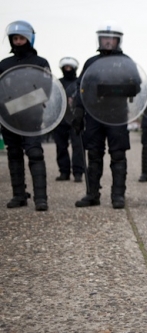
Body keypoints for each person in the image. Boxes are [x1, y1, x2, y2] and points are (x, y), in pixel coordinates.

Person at [72, 21, 141, 209]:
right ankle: (92, 194)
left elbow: (136, 85)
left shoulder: (126, 61)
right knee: (94, 154)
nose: (108, 42)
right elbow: (81, 87)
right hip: (93, 114)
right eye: (105, 38)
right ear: (100, 40)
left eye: (111, 39)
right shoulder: (91, 62)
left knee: (118, 155)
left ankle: (118, 195)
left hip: (117, 115)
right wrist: (78, 110)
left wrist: (116, 89)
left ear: (118, 40)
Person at [0, 20, 51, 211]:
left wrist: (16, 105)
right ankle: (19, 196)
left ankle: (41, 198)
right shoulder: (4, 64)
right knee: (14, 154)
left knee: (35, 153)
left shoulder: (40, 63)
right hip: (8, 119)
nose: (18, 41)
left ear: (29, 39)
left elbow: (46, 90)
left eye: (21, 38)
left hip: (32, 117)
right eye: (15, 38)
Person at [53, 56, 85, 183]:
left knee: (78, 146)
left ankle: (78, 172)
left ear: (75, 68)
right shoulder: (57, 83)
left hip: (75, 119)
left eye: (70, 67)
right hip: (60, 119)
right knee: (61, 146)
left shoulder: (79, 83)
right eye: (65, 67)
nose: (68, 69)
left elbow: (84, 97)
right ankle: (64, 172)